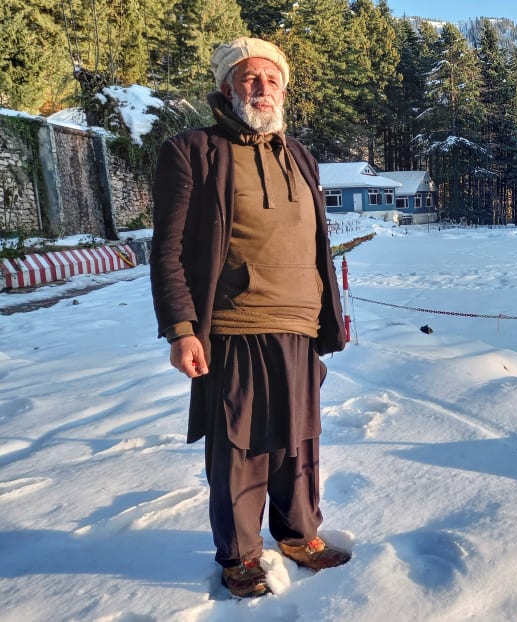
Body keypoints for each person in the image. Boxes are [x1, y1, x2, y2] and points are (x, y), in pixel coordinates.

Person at [149, 36, 349, 599]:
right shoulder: (192, 150)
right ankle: (240, 555)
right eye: (249, 78)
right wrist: (182, 329)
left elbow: (313, 242)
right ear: (225, 87)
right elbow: (167, 249)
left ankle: (298, 535)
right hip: (235, 325)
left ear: (284, 89)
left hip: (300, 325)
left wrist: (328, 314)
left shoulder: (299, 154)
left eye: (272, 79)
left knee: (299, 441)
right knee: (240, 448)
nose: (263, 89)